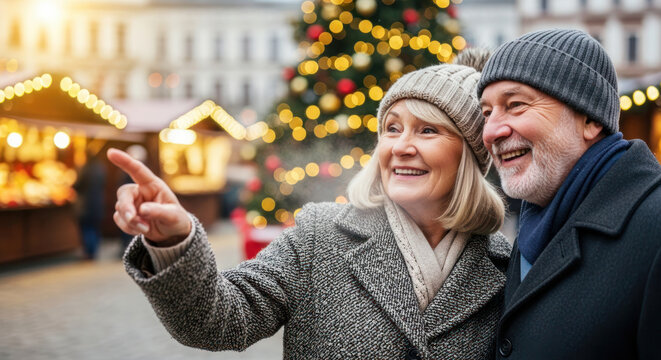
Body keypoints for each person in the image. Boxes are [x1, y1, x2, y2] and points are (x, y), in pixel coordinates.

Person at [108, 49, 511, 359]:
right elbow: (218, 321)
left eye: (427, 130)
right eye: (392, 128)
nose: (402, 147)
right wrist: (174, 242)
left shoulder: (505, 263)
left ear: (471, 156)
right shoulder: (323, 235)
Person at [477, 29, 661, 359]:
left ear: (589, 118)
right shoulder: (543, 217)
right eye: (487, 112)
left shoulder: (654, 227)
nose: (490, 131)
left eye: (516, 105)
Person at [74, 149, 107, 259]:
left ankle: (89, 252)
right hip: (98, 203)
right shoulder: (100, 168)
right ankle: (94, 250)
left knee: (87, 228)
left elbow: (78, 185)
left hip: (86, 204)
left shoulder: (85, 169)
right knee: (95, 228)